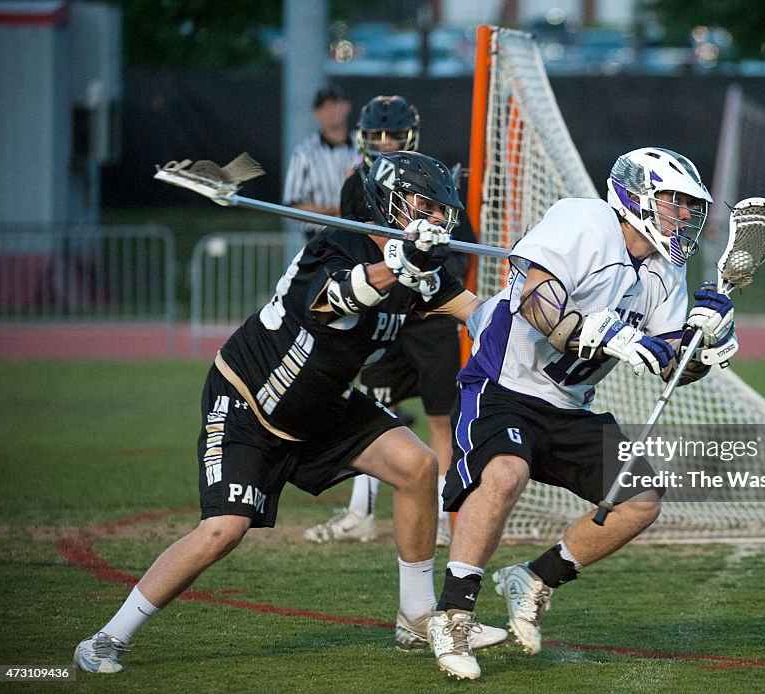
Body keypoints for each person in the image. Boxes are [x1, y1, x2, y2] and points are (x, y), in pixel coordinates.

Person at [72, 151, 507, 674]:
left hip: (322, 405)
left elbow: (481, 314)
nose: (438, 219)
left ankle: (416, 617)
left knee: (417, 467)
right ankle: (106, 638)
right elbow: (339, 298)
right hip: (251, 402)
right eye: (426, 206)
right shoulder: (332, 250)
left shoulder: (420, 271)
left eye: (443, 210)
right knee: (224, 530)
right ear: (389, 204)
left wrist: (553, 311)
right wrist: (398, 265)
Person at [425, 147, 739, 680]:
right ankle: (453, 614)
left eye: (691, 207)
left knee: (639, 503)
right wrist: (609, 335)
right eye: (675, 203)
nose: (684, 216)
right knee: (505, 472)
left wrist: (705, 344)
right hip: (506, 384)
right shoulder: (586, 219)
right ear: (636, 195)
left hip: (569, 407)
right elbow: (534, 300)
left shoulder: (666, 272)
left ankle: (535, 578)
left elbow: (670, 367)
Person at [304, 95, 474, 547]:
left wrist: (431, 273)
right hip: (381, 312)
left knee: (442, 417)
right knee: (372, 410)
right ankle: (361, 512)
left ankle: (438, 515)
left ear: (411, 136)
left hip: (430, 315)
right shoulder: (356, 186)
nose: (384, 142)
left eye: (394, 136)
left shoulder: (437, 181)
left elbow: (462, 248)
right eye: (376, 135)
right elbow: (351, 247)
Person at [283, 81, 357, 240]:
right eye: (324, 107)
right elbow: (293, 206)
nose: (330, 111)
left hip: (360, 236)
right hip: (319, 238)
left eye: (335, 104)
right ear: (316, 113)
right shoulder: (303, 153)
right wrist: (336, 210)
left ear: (346, 106)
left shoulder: (363, 147)